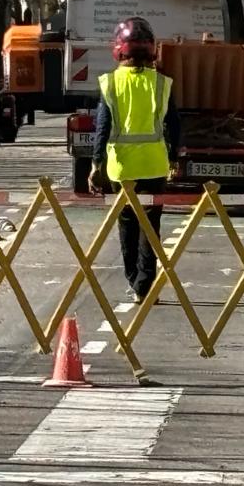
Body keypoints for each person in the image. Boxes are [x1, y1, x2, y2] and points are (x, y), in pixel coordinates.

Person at [88, 17, 181, 301]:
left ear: (119, 50)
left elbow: (102, 127)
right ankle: (145, 282)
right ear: (151, 50)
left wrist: (96, 165)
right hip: (154, 165)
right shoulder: (162, 83)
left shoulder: (111, 84)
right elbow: (174, 124)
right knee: (150, 226)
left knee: (127, 222)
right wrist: (174, 159)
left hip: (123, 168)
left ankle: (133, 280)